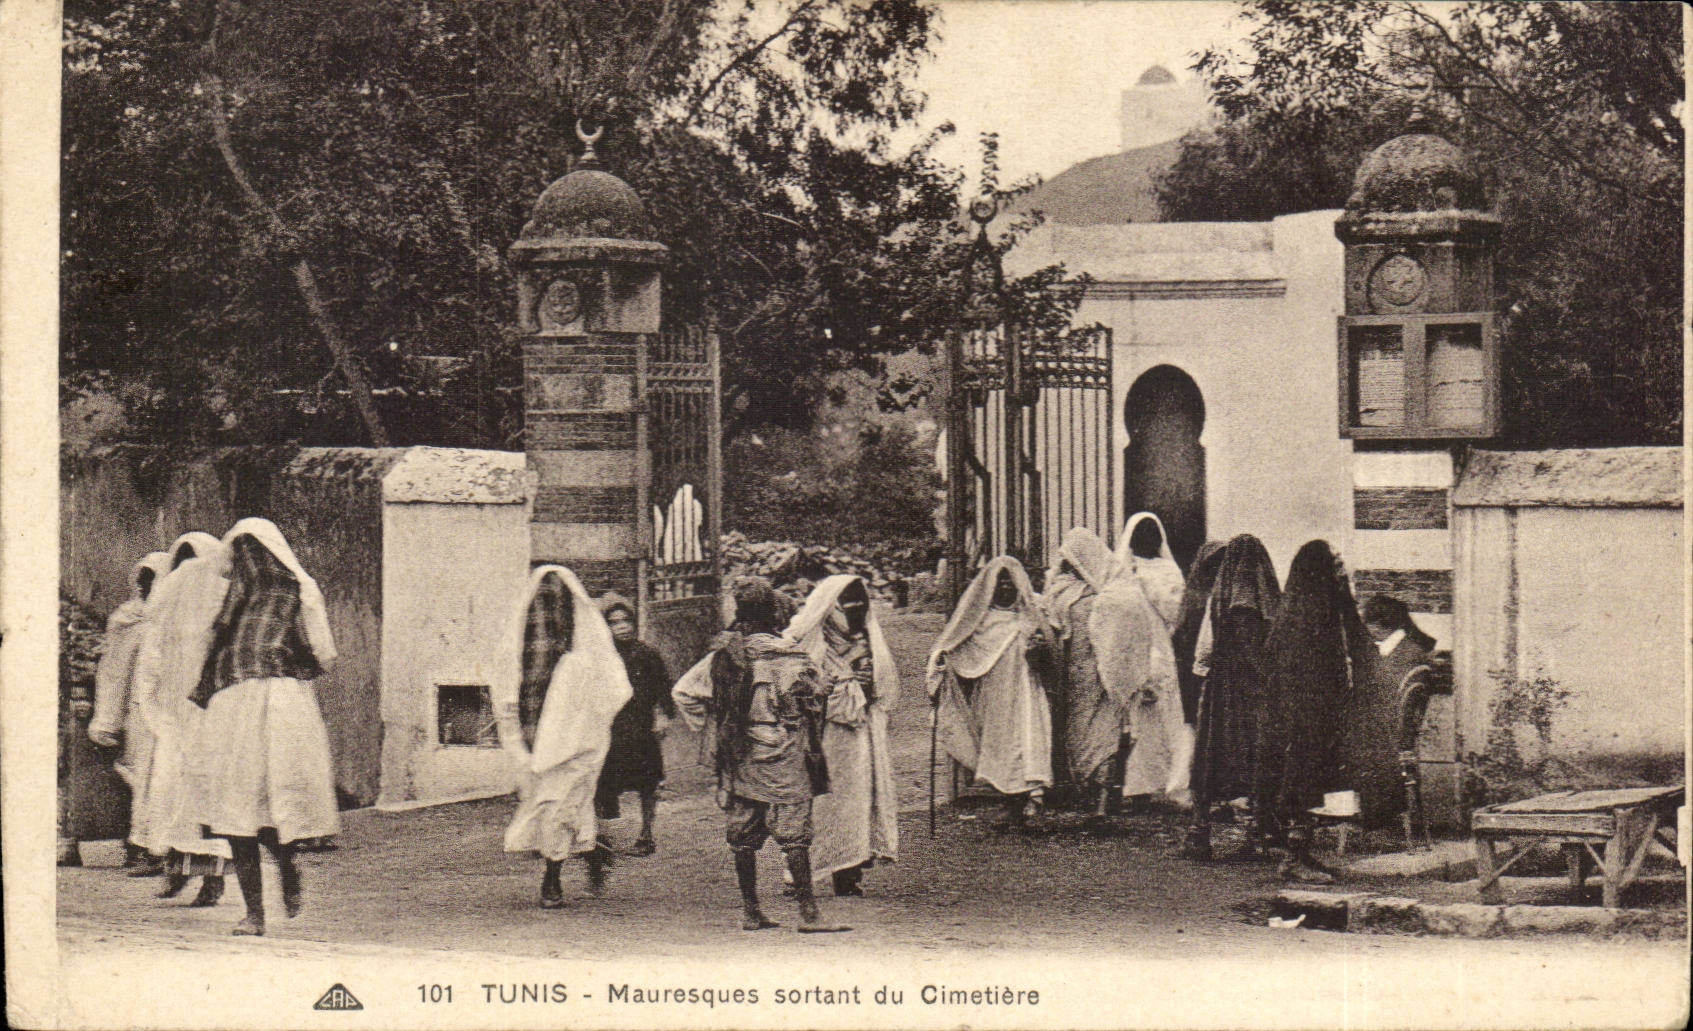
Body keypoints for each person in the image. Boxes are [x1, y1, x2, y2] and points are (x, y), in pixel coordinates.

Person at [179, 518, 340, 935]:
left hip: (271, 704)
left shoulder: (292, 591)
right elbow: (323, 653)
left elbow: (321, 651)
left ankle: (281, 874)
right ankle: (257, 909)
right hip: (243, 704)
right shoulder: (242, 597)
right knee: (238, 807)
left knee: (269, 800)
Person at [673, 577, 849, 933]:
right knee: (795, 834)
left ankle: (751, 912)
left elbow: (684, 693)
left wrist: (719, 726)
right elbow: (814, 701)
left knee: (743, 834)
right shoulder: (793, 657)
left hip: (742, 754)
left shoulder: (724, 658)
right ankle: (809, 914)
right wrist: (822, 692)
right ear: (775, 617)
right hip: (785, 754)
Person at [493, 566, 630, 909]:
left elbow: (609, 690)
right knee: (555, 803)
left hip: (574, 737)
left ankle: (553, 877)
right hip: (545, 733)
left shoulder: (580, 660)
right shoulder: (553, 653)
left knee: (560, 803)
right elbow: (529, 681)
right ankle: (590, 850)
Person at [1257, 540, 1372, 884]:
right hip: (1304, 718)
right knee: (1303, 780)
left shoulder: (1320, 613)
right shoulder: (1304, 624)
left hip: (1319, 714)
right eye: (1335, 564)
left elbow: (1356, 638)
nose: (1341, 569)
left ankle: (1302, 852)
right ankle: (1294, 857)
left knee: (1315, 781)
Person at [130, 532, 235, 902]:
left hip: (206, 715)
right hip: (176, 716)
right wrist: (154, 708)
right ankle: (176, 870)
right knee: (171, 793)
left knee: (201, 795)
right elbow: (152, 663)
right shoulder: (167, 613)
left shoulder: (219, 613)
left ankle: (211, 879)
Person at [782, 576, 898, 897]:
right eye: (846, 606)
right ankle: (799, 871)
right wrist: (842, 680)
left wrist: (867, 683)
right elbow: (793, 687)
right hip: (822, 738)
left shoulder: (868, 639)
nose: (853, 613)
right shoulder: (807, 640)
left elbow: (886, 688)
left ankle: (848, 872)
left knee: (857, 804)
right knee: (821, 805)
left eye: (859, 606)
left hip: (860, 737)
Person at [927, 556, 1056, 831]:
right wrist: (943, 661)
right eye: (1001, 583)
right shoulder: (981, 621)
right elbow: (960, 648)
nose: (1006, 589)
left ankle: (1027, 802)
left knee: (1029, 739)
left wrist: (1041, 650)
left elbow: (1053, 651)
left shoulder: (1032, 614)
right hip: (996, 695)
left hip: (1027, 691)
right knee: (1001, 745)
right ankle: (1012, 804)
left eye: (1011, 583)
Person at [1184, 534, 1281, 860]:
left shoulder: (1219, 598)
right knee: (1253, 758)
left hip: (1219, 691)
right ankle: (1255, 835)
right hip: (1248, 693)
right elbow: (1255, 653)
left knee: (1210, 761)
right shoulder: (1250, 605)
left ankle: (1199, 834)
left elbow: (1206, 649)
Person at [1095, 513, 1191, 808]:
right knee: (1134, 718)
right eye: (1142, 534)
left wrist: (1149, 585)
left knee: (1165, 714)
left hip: (1161, 646)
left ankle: (1169, 783)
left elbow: (1177, 612)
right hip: (1131, 648)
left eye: (1152, 534)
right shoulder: (1121, 572)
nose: (1147, 540)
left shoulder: (1168, 571)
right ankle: (1135, 787)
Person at [86, 550, 173, 870]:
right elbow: (114, 671)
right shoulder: (129, 619)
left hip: (175, 709)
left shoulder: (176, 614)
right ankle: (145, 847)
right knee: (145, 779)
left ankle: (168, 850)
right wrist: (108, 718)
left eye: (155, 580)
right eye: (144, 581)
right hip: (141, 712)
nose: (148, 587)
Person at [1041, 528, 1121, 822]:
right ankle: (1079, 790)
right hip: (1068, 672)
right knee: (1073, 730)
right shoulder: (1059, 590)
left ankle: (1102, 798)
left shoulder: (1105, 593)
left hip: (1099, 671)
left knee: (1103, 731)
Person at [1345, 594, 1439, 828]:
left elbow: (1380, 700)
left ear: (1379, 625)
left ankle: (1343, 815)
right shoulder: (1410, 649)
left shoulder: (1401, 656)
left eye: (1369, 625)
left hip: (1386, 735)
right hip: (1396, 733)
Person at [594, 593, 675, 856]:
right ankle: (600, 837)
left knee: (647, 781)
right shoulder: (600, 658)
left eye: (626, 620)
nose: (623, 627)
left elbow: (664, 690)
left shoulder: (646, 654)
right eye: (614, 622)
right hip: (610, 728)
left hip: (640, 727)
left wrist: (663, 717)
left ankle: (646, 835)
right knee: (602, 781)